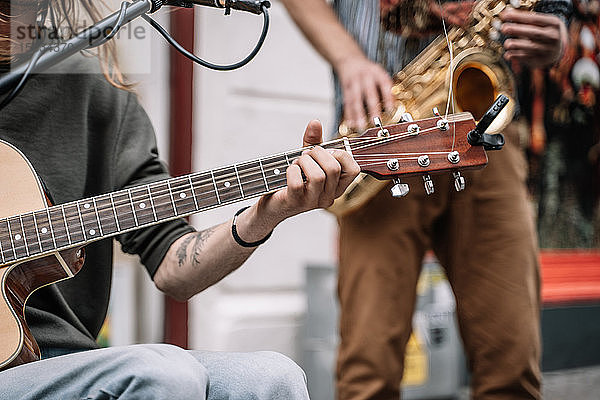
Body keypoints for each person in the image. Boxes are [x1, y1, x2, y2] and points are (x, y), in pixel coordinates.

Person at [0, 1, 360, 399]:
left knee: (270, 376)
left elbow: (174, 264)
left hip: (65, 364)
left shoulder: (93, 93)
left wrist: (269, 213)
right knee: (162, 374)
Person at [281, 0, 571, 399]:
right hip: (382, 129)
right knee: (369, 374)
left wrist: (558, 21)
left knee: (512, 368)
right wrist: (349, 60)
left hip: (486, 129)